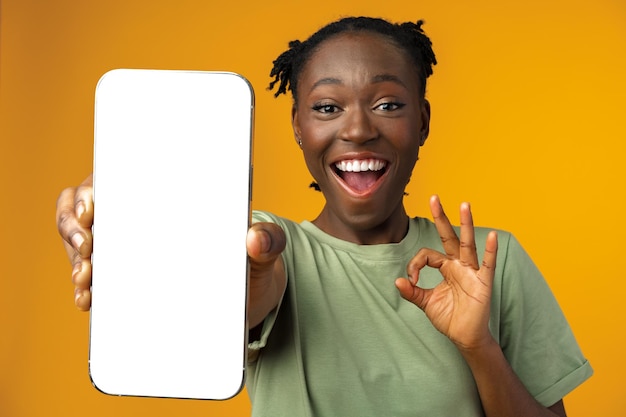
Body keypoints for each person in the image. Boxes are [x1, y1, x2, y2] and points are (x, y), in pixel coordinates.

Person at [56, 16, 592, 417]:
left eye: (387, 104)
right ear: (298, 126)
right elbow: (250, 279)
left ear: (422, 120)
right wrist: (114, 207)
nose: (358, 129)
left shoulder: (492, 262)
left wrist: (480, 348)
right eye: (328, 107)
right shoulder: (262, 241)